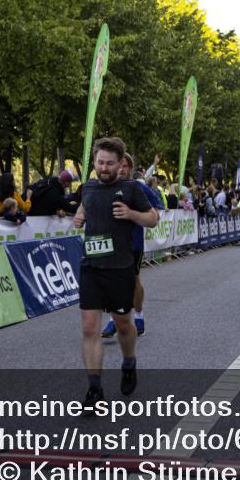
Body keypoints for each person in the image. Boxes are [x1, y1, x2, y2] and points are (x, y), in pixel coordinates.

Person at [73, 137, 158, 407]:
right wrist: (79, 218)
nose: (105, 167)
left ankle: (129, 361)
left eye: (110, 163)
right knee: (89, 329)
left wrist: (132, 214)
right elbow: (84, 208)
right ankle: (95, 389)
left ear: (120, 163)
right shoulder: (87, 187)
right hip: (91, 267)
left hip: (119, 268)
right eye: (100, 162)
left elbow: (153, 219)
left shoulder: (131, 188)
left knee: (123, 325)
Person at [101, 153, 162, 340]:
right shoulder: (105, 188)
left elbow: (156, 212)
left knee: (133, 280)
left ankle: (138, 315)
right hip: (111, 243)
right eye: (119, 165)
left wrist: (135, 214)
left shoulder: (138, 187)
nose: (121, 169)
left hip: (133, 242)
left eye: (125, 166)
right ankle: (114, 319)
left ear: (130, 169)